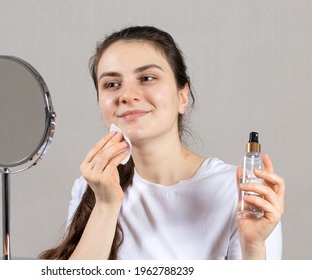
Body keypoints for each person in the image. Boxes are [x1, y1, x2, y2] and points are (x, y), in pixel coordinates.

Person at [40, 26, 285, 260]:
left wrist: (253, 247)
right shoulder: (91, 186)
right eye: (111, 84)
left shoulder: (238, 193)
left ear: (182, 96)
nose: (126, 96)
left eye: (147, 78)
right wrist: (105, 204)